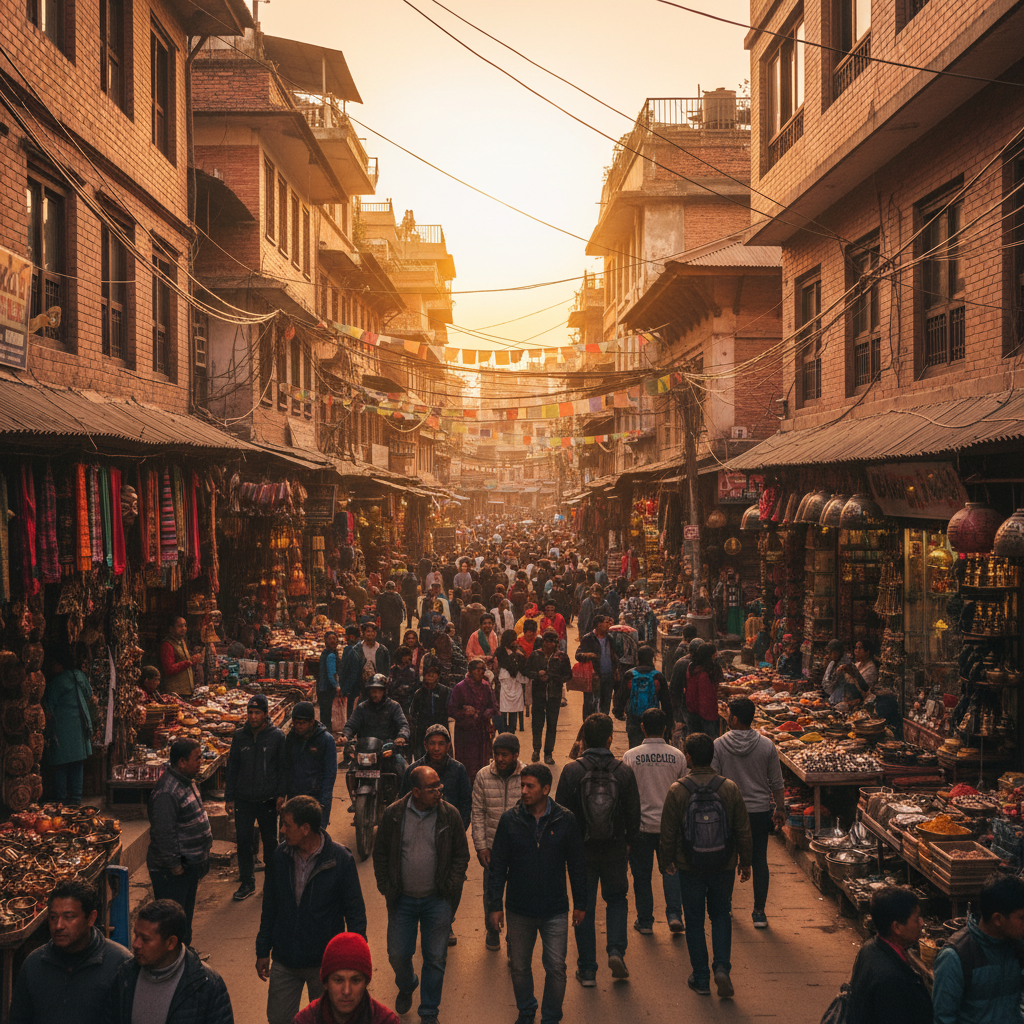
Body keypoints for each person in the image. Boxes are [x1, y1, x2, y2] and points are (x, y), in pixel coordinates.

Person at [487, 764, 587, 1024]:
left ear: (546, 789)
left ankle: (551, 1017)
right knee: (519, 967)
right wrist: (495, 905)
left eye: (530, 786)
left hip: (555, 909)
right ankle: (527, 1010)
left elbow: (577, 864)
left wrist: (581, 903)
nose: (523, 791)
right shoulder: (510, 820)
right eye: (522, 785)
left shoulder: (565, 820)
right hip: (519, 909)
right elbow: (498, 866)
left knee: (556, 968)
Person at [256, 796, 367, 1024]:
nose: (282, 830)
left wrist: (357, 961)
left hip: (324, 964)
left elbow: (355, 914)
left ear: (305, 828)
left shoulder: (340, 860)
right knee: (278, 1019)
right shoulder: (279, 857)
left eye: (287, 824)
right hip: (285, 959)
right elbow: (270, 906)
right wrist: (262, 950)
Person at [374, 766, 471, 1024]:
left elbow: (461, 855)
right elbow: (381, 852)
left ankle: (429, 1012)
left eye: (440, 786)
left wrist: (450, 885)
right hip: (402, 900)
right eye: (432, 788)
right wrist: (386, 885)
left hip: (437, 900)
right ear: (415, 792)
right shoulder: (393, 814)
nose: (439, 792)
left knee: (436, 958)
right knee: (397, 954)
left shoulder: (451, 816)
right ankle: (407, 984)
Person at [660, 732, 752, 999]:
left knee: (696, 921)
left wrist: (666, 861)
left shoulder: (678, 789)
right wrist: (745, 861)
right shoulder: (729, 787)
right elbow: (742, 829)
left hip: (690, 866)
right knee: (721, 915)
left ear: (688, 757)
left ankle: (700, 977)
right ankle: (722, 968)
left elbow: (668, 832)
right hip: (723, 865)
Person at [554, 713, 641, 987]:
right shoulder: (623, 771)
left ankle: (588, 969)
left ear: (583, 739)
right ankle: (615, 950)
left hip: (582, 852)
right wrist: (628, 842)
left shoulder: (572, 771)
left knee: (584, 908)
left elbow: (560, 814)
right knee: (617, 899)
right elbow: (633, 813)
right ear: (609, 738)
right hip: (615, 849)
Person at [10, 880, 132, 1024]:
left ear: (91, 918)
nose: (58, 926)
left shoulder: (120, 964)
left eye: (69, 917)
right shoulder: (34, 964)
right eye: (53, 917)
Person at [711, 697, 785, 928]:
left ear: (733, 718)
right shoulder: (766, 745)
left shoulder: (719, 745)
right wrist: (780, 809)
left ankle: (726, 906)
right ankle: (759, 912)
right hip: (758, 811)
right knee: (759, 859)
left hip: (729, 811)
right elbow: (777, 782)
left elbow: (714, 780)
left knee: (728, 859)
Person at [106, 900, 233, 1024]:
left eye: (145, 939)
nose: (136, 944)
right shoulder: (125, 976)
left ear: (171, 943)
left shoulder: (206, 984)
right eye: (136, 935)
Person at [621, 707, 686, 935]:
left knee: (641, 875)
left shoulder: (630, 756)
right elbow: (683, 790)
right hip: (669, 827)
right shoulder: (678, 756)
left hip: (640, 826)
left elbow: (626, 794)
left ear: (642, 727)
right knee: (671, 870)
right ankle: (674, 915)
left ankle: (646, 921)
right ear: (666, 728)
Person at [932, 874, 1024, 1024]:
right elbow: (944, 1018)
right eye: (1022, 918)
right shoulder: (955, 956)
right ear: (998, 919)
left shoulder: (1015, 946)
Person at [147, 738, 212, 948]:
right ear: (182, 762)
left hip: (188, 866)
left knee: (184, 918)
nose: (201, 762)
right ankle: (173, 962)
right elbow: (163, 833)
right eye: (197, 758)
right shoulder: (167, 791)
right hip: (172, 872)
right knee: (172, 922)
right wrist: (175, 866)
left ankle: (184, 957)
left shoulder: (187, 781)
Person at [224, 693, 285, 902]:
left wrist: (280, 795)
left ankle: (271, 883)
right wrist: (229, 797)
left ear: (265, 714)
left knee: (270, 842)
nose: (252, 716)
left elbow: (282, 769)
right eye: (250, 712)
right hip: (243, 798)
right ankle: (247, 882)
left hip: (267, 798)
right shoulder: (239, 736)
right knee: (243, 841)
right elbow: (232, 767)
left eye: (257, 712)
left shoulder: (277, 737)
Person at [472, 734, 527, 952]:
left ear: (516, 755)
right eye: (497, 755)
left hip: (520, 850)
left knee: (518, 895)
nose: (500, 759)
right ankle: (492, 930)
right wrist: (481, 845)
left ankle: (514, 938)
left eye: (505, 755)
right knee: (491, 892)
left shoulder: (527, 775)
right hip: (493, 849)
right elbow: (478, 813)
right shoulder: (483, 776)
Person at [847, 886, 932, 1024]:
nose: (922, 923)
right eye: (916, 919)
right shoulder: (890, 980)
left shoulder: (870, 948)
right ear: (897, 927)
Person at [294, 932, 400, 1024]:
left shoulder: (386, 1021)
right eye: (338, 980)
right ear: (325, 982)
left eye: (355, 981)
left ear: (366, 982)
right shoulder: (304, 1020)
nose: (346, 991)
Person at [341, 676, 410, 805]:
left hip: (387, 748)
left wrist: (401, 736)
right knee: (351, 772)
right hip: (366, 749)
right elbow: (351, 724)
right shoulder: (362, 707)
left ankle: (401, 803)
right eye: (372, 691)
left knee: (405, 770)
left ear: (385, 691)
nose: (375, 694)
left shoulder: (394, 706)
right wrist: (345, 735)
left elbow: (403, 725)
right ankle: (355, 801)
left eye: (378, 691)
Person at [42, 647, 94, 806]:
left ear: (59, 663)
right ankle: (76, 800)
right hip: (79, 728)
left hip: (63, 729)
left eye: (53, 663)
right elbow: (90, 695)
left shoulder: (57, 682)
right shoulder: (79, 676)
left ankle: (60, 801)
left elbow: (48, 708)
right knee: (77, 764)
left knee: (61, 764)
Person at [400, 725, 472, 830]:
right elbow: (403, 803)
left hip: (449, 829)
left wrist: (458, 833)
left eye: (441, 744)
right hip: (418, 828)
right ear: (425, 745)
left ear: (448, 746)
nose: (436, 748)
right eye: (432, 743)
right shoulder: (413, 770)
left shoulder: (458, 769)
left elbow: (466, 805)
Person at [281, 701, 338, 828]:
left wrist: (323, 803)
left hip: (316, 798)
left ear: (312, 722)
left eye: (302, 723)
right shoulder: (291, 738)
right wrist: (282, 795)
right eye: (296, 723)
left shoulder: (326, 740)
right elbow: (286, 767)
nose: (299, 726)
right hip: (294, 797)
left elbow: (330, 774)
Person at [524, 630, 572, 765]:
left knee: (552, 724)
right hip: (538, 695)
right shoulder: (535, 655)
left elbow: (568, 675)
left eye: (553, 642)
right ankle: (536, 749)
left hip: (554, 695)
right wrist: (537, 674)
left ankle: (548, 753)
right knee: (537, 724)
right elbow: (527, 671)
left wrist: (552, 677)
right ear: (543, 642)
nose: (550, 644)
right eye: (548, 641)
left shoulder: (561, 657)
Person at [448, 659, 498, 781]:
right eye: (477, 669)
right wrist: (465, 713)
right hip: (465, 733)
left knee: (482, 764)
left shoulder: (486, 686)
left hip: (482, 731)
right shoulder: (460, 687)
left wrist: (487, 712)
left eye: (483, 669)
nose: (480, 672)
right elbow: (451, 710)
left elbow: (494, 706)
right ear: (470, 670)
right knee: (466, 765)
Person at [613, 645, 667, 750]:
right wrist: (668, 721)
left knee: (634, 745)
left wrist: (618, 711)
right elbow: (666, 701)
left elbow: (622, 696)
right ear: (652, 659)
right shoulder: (658, 676)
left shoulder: (630, 674)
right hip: (653, 717)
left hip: (633, 716)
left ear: (637, 658)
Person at [575, 615, 619, 717]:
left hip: (608, 676)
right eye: (606, 622)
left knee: (606, 702)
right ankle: (587, 726)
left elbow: (614, 655)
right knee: (590, 703)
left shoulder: (610, 638)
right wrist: (587, 655)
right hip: (593, 677)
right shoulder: (588, 638)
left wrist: (616, 669)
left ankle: (603, 725)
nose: (609, 625)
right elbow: (578, 655)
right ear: (599, 625)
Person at [407, 660, 453, 758]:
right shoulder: (419, 693)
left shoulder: (446, 691)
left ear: (438, 676)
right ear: (424, 676)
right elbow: (413, 714)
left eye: (434, 674)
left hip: (441, 729)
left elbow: (451, 711)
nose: (431, 676)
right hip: (423, 731)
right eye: (428, 674)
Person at [159, 615, 203, 696]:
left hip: (187, 691)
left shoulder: (182, 641)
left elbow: (184, 659)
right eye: (180, 626)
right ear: (171, 629)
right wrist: (189, 662)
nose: (184, 628)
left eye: (185, 625)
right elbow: (168, 669)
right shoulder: (167, 644)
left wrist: (193, 659)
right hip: (176, 692)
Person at [495, 629, 527, 734]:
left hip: (515, 683)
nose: (514, 642)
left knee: (513, 710)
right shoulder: (500, 651)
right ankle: (503, 732)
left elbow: (523, 664)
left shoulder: (518, 649)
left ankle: (512, 732)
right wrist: (514, 656)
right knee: (503, 710)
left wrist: (518, 655)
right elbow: (505, 663)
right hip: (504, 684)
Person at [685, 643, 720, 738]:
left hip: (692, 709)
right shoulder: (704, 674)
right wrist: (712, 717)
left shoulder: (692, 667)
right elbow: (705, 698)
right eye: (714, 653)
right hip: (705, 715)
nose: (716, 655)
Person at [316, 631, 342, 734]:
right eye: (330, 638)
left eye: (334, 638)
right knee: (327, 712)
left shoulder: (325, 652)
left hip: (322, 687)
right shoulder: (331, 655)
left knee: (324, 712)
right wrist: (337, 686)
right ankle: (327, 734)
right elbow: (332, 673)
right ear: (326, 640)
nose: (332, 641)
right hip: (327, 688)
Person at [355, 622, 391, 691]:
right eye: (368, 631)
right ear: (363, 633)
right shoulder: (357, 649)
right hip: (361, 686)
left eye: (373, 631)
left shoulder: (382, 650)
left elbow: (386, 669)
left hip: (377, 685)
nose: (371, 634)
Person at [377, 581, 407, 652]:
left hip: (385, 621)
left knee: (385, 639)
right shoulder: (397, 596)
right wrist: (402, 618)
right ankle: (395, 652)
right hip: (396, 622)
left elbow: (378, 608)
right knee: (396, 639)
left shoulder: (381, 596)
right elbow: (402, 608)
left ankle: (385, 651)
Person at [389, 646, 419, 716]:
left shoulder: (413, 671)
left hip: (408, 702)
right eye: (405, 655)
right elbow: (391, 686)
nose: (407, 658)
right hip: (395, 701)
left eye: (408, 655)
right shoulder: (393, 670)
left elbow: (416, 686)